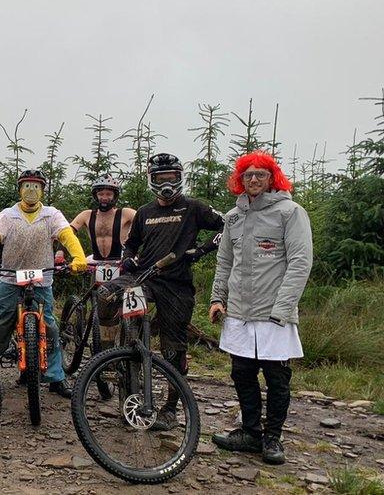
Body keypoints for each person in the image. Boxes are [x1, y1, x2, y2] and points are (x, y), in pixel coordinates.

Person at [97, 153, 225, 429]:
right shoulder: (144, 212)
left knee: (173, 350)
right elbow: (131, 244)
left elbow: (228, 226)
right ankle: (108, 354)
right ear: (152, 180)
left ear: (180, 177)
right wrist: (128, 257)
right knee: (105, 295)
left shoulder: (193, 207)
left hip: (177, 285)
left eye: (172, 178)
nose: (167, 185)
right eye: (160, 179)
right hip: (144, 277)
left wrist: (201, 250)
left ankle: (169, 409)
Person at [209, 151, 312, 465]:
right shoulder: (234, 217)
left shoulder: (290, 212)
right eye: (247, 175)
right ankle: (251, 433)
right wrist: (217, 298)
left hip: (273, 315)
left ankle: (273, 438)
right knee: (242, 374)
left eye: (260, 175)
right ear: (240, 179)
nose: (253, 180)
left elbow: (299, 262)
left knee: (277, 378)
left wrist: (283, 308)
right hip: (239, 313)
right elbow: (225, 262)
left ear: (272, 178)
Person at [0, 169, 88, 397]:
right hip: (10, 277)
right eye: (27, 186)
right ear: (20, 189)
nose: (31, 191)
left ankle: (56, 378)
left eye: (36, 186)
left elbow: (67, 235)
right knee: (1, 321)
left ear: (43, 190)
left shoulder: (51, 214)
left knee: (50, 326)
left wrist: (79, 257)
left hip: (42, 278)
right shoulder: (7, 215)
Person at [69, 174, 136, 350]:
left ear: (115, 196)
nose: (105, 198)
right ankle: (104, 350)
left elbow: (145, 226)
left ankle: (130, 343)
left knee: (130, 302)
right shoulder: (86, 215)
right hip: (96, 262)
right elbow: (68, 233)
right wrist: (61, 251)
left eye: (108, 194)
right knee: (101, 307)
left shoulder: (126, 213)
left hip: (121, 262)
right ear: (95, 195)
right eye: (101, 194)